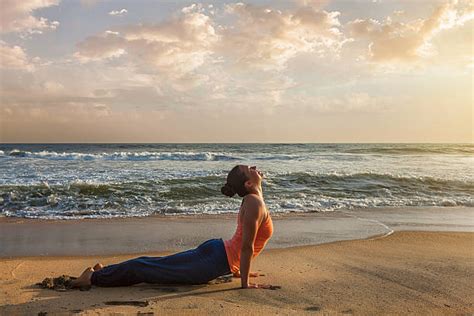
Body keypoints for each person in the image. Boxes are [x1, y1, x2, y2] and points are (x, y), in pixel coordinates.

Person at [71, 165, 275, 289]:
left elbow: (243, 242)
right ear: (248, 184)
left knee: (153, 265)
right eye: (250, 169)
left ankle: (105, 271)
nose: (255, 167)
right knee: (149, 269)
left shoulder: (254, 200)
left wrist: (239, 270)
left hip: (218, 256)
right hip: (214, 259)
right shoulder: (254, 202)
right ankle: (93, 277)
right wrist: (245, 283)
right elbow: (246, 246)